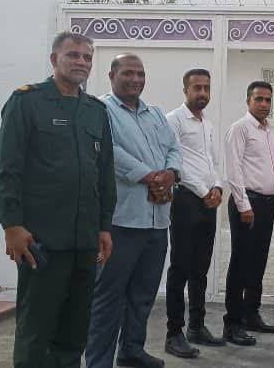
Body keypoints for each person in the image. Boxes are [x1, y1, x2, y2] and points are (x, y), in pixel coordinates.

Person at [0, 31, 115, 368]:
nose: (81, 62)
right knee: (36, 328)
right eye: (73, 55)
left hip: (84, 240)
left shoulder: (95, 111)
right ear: (53, 59)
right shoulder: (26, 102)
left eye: (87, 57)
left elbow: (104, 174)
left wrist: (104, 226)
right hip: (41, 240)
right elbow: (7, 170)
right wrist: (11, 225)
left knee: (74, 330)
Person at [86, 54, 181, 368]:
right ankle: (99, 361)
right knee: (108, 297)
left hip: (157, 220)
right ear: (112, 75)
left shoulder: (156, 114)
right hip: (122, 221)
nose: (136, 79)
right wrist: (150, 176)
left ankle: (131, 350)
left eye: (140, 74)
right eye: (128, 73)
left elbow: (173, 148)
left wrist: (170, 174)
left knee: (143, 293)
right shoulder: (100, 110)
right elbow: (107, 151)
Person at [163, 68, 226, 356]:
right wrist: (204, 192)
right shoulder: (173, 120)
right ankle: (173, 333)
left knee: (201, 267)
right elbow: (175, 162)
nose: (202, 93)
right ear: (185, 90)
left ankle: (196, 327)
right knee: (180, 268)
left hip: (208, 202)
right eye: (197, 87)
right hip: (186, 200)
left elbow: (213, 161)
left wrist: (218, 187)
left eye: (206, 88)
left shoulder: (207, 124)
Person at [223, 81, 274, 346]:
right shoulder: (240, 128)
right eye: (259, 99)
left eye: (268, 100)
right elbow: (233, 169)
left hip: (266, 204)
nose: (264, 104)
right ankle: (233, 323)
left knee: (259, 261)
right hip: (247, 204)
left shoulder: (269, 131)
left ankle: (251, 314)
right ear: (248, 101)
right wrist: (243, 205)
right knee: (241, 263)